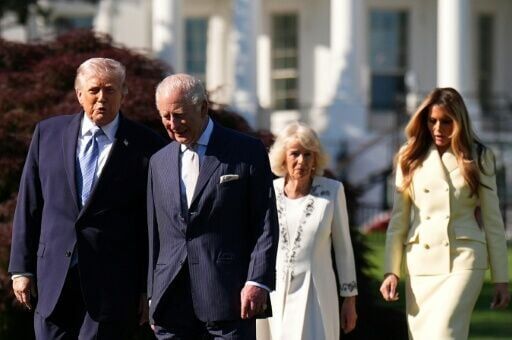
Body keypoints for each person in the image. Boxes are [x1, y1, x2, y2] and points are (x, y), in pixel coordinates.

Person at [8, 57, 167, 339]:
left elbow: (151, 222)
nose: (102, 98)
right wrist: (21, 268)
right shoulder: (48, 134)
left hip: (112, 286)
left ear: (124, 94)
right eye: (94, 90)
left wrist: (147, 287)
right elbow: (29, 204)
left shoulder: (148, 145)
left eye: (111, 90)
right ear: (79, 93)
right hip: (53, 278)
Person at [147, 74, 279, 339]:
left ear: (203, 108)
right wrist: (153, 295)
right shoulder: (158, 161)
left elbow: (265, 222)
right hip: (171, 302)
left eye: (180, 115)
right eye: (165, 116)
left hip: (230, 298)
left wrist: (257, 280)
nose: (172, 125)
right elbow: (155, 235)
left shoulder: (246, 151)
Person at [380, 87, 510, 339]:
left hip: (463, 260)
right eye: (432, 121)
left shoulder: (480, 156)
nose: (438, 128)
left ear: (459, 121)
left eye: (446, 122)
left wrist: (500, 279)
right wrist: (391, 270)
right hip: (421, 264)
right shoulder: (410, 156)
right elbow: (399, 220)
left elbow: (493, 221)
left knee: (445, 333)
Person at [257, 121, 358, 340]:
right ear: (283, 156)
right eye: (295, 153)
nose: (301, 161)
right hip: (274, 292)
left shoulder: (332, 191)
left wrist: (349, 300)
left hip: (316, 293)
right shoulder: (268, 191)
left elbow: (344, 249)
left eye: (308, 155)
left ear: (315, 159)